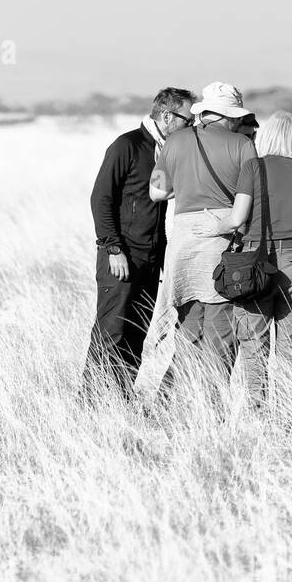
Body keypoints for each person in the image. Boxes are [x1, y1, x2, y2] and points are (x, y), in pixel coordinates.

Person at [82, 86, 195, 399]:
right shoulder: (127, 146)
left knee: (135, 335)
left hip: (148, 260)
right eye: (188, 118)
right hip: (120, 258)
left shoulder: (166, 150)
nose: (192, 124)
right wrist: (112, 247)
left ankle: (120, 403)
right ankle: (90, 403)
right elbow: (100, 198)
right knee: (110, 332)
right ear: (166, 116)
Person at [149, 81, 256, 390]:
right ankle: (211, 403)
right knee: (221, 329)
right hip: (222, 244)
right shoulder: (243, 145)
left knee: (188, 328)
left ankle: (176, 400)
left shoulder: (176, 141)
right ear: (230, 116)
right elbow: (251, 197)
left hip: (182, 246)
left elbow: (157, 192)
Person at [211, 112, 292, 404]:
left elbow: (237, 219)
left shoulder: (253, 168)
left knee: (254, 343)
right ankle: (286, 418)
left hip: (254, 262)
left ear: (268, 135)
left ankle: (257, 411)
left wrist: (215, 227)